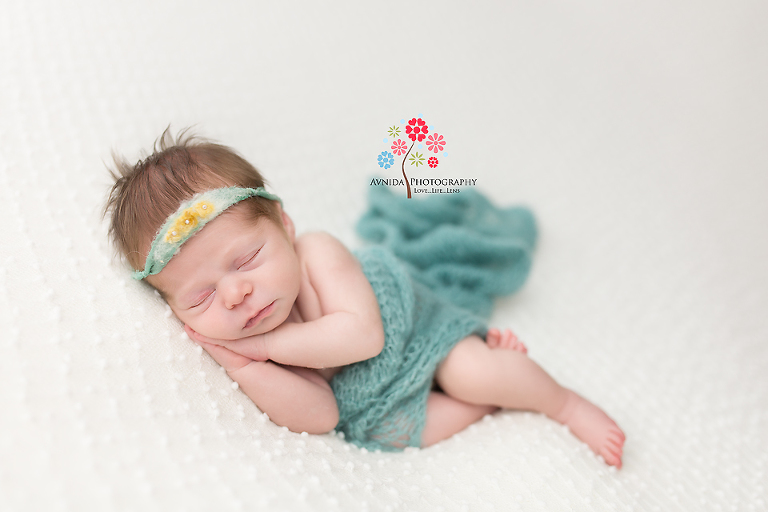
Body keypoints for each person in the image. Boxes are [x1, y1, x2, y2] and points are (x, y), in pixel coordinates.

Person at [104, 128, 625, 467]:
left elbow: (362, 335)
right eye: (199, 299)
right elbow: (324, 415)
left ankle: (564, 402)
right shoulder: (246, 346)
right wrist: (244, 367)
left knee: (472, 373)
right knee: (411, 434)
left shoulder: (316, 252)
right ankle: (496, 399)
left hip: (412, 332)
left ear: (284, 226)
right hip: (375, 404)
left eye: (245, 261)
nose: (236, 294)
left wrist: (269, 347)